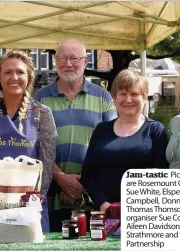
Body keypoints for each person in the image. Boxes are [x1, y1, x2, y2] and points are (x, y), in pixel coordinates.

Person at [0, 50, 57, 232]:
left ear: (29, 77)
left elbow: (47, 164)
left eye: (20, 72)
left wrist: (33, 200)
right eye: (7, 72)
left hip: (29, 209)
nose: (14, 77)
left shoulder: (42, 114)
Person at [33, 39, 117, 232]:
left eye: (74, 58)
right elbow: (34, 144)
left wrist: (82, 182)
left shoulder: (103, 97)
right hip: (51, 194)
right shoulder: (40, 98)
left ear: (86, 61)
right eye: (63, 58)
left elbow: (109, 145)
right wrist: (61, 178)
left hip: (93, 196)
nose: (68, 64)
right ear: (55, 60)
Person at [80, 69, 169, 212]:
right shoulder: (101, 129)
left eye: (134, 94)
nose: (128, 99)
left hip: (143, 212)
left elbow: (162, 173)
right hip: (104, 214)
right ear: (114, 98)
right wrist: (104, 205)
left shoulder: (154, 130)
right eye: (122, 94)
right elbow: (87, 173)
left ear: (144, 98)